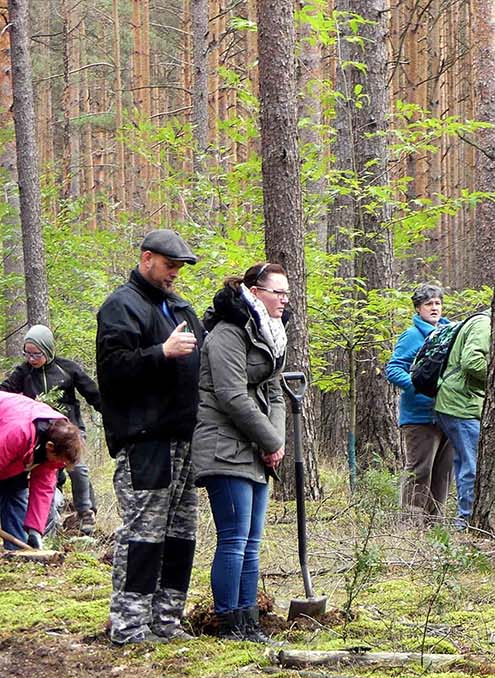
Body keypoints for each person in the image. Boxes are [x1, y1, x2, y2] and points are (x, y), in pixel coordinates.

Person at [96, 228, 205, 645]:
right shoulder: (121, 306)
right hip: (145, 441)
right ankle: (129, 626)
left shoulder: (178, 307)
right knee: (142, 533)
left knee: (180, 534)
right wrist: (161, 352)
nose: (174, 273)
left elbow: (208, 349)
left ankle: (167, 622)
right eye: (169, 266)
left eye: (179, 267)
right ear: (146, 259)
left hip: (184, 439)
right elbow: (114, 371)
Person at [193, 263, 289, 644]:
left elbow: (276, 392)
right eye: (276, 292)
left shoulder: (272, 335)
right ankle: (228, 624)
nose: (284, 300)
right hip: (223, 446)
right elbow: (231, 395)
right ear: (254, 291)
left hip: (255, 448)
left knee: (252, 541)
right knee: (233, 539)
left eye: (286, 293)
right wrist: (270, 441)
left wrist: (274, 443)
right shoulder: (226, 333)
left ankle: (250, 623)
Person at [0, 325, 103, 534]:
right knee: (12, 488)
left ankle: (85, 512)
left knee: (20, 490)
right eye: (27, 353)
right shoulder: (16, 433)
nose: (31, 358)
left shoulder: (67, 368)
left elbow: (44, 484)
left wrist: (34, 530)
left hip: (68, 430)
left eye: (36, 353)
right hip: (20, 432)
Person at [384, 284, 453, 518]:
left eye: (438, 303)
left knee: (443, 471)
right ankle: (411, 522)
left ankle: (435, 522)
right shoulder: (412, 335)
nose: (434, 308)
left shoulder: (451, 332)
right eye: (429, 304)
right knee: (420, 470)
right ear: (418, 308)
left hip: (448, 413)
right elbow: (393, 369)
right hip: (419, 415)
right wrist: (419, 387)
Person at [0, 393, 83, 549]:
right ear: (50, 447)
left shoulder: (57, 435)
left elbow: (43, 488)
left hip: (15, 456)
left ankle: (17, 556)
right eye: (60, 461)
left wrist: (35, 531)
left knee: (15, 492)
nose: (60, 465)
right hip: (6, 435)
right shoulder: (18, 432)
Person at [433, 309, 490, 529]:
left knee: (463, 461)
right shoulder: (484, 325)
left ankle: (463, 518)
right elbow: (472, 362)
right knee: (472, 464)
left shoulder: (478, 323)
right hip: (461, 404)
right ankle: (466, 521)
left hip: (455, 401)